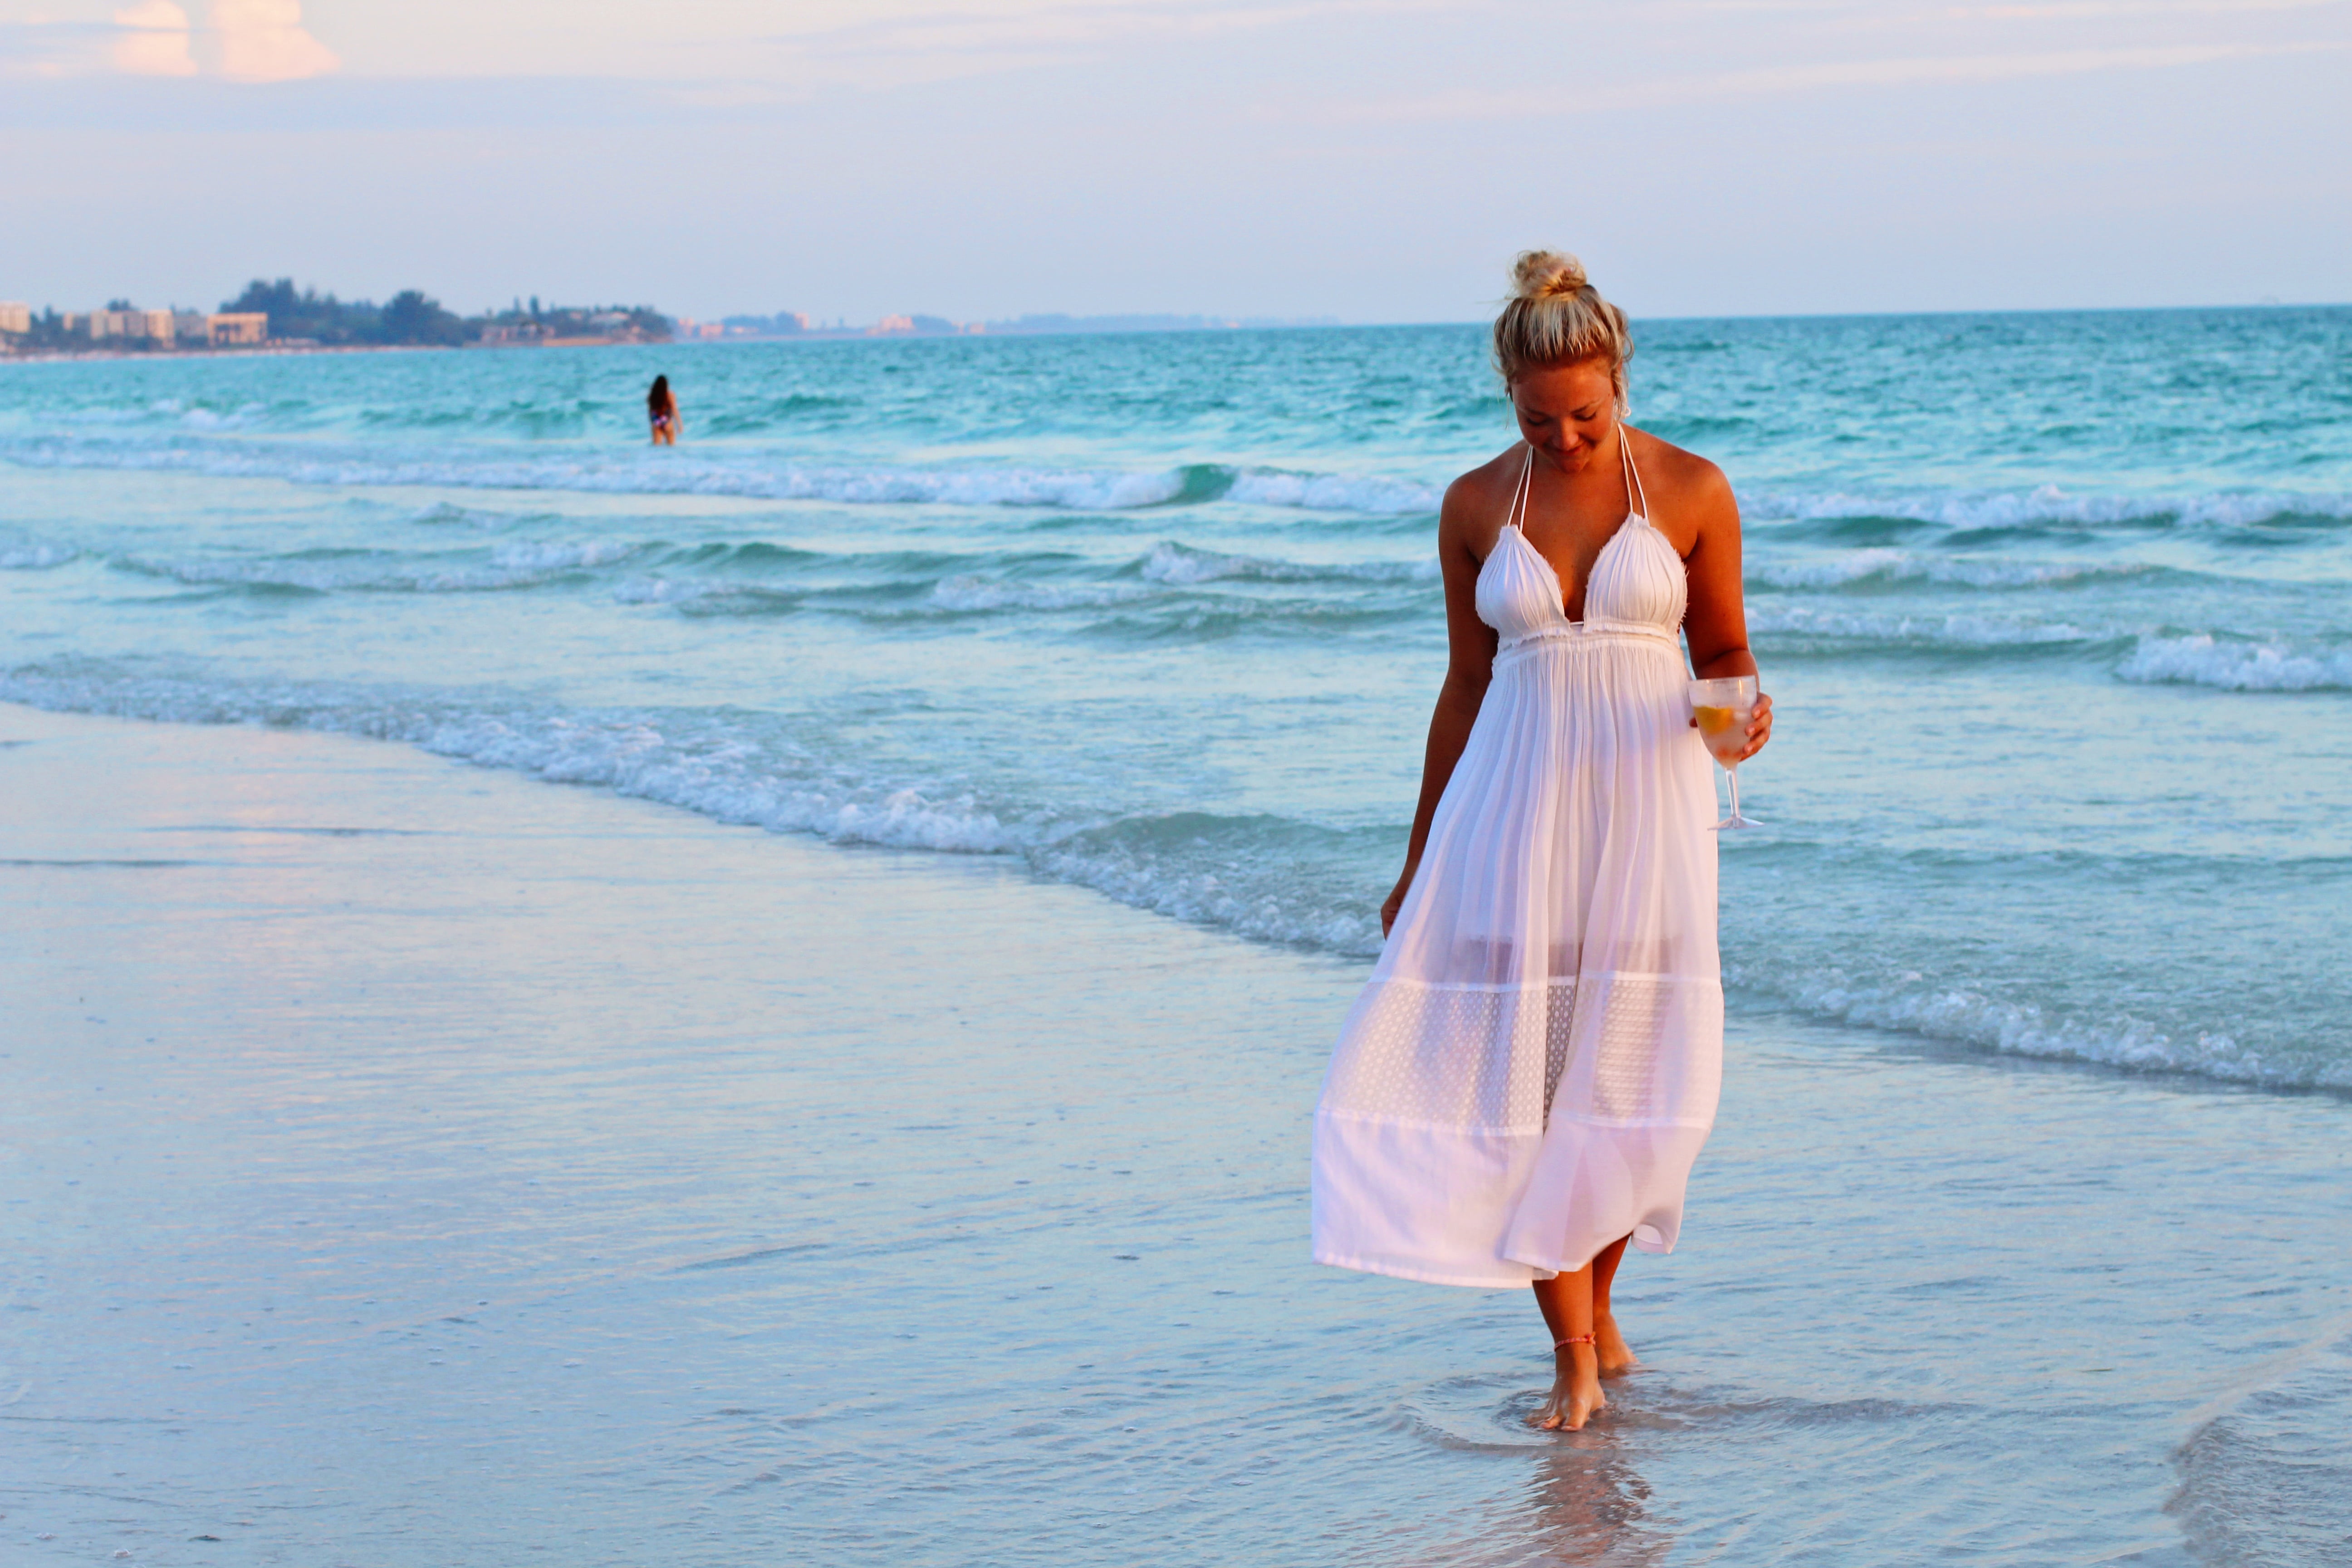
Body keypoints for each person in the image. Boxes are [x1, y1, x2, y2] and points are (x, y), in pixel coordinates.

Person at [1310, 251, 1772, 1433]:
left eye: (1586, 413)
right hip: (1510, 817)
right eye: (1538, 418)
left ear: (1620, 378)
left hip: (1649, 815)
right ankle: (1572, 1357)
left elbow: (1719, 656)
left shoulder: (1692, 490)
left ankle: (1601, 1310)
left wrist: (1741, 725)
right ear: (1506, 396)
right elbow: (1464, 690)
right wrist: (1418, 863)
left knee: (1627, 1086)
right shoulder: (1476, 506)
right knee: (1521, 1084)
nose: (1564, 438)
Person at [647, 375, 679, 445]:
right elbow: (674, 409)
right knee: (671, 446)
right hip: (667, 420)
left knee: (656, 447)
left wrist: (653, 423)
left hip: (656, 420)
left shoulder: (651, 396)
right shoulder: (670, 395)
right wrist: (679, 424)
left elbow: (650, 411)